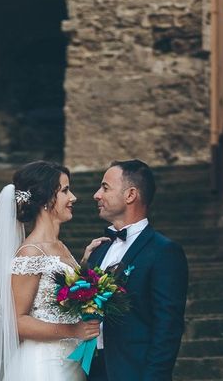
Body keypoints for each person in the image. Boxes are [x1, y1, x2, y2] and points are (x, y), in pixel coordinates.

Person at [0, 161, 109, 381]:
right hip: (43, 366)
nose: (73, 198)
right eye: (64, 191)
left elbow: (57, 293)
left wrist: (85, 267)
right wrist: (73, 331)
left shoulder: (60, 246)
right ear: (45, 199)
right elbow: (17, 321)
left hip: (70, 363)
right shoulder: (30, 253)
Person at [87, 159, 188, 381]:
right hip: (90, 370)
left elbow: (168, 328)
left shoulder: (163, 251)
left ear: (130, 195)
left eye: (105, 187)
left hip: (133, 372)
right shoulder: (98, 250)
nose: (96, 195)